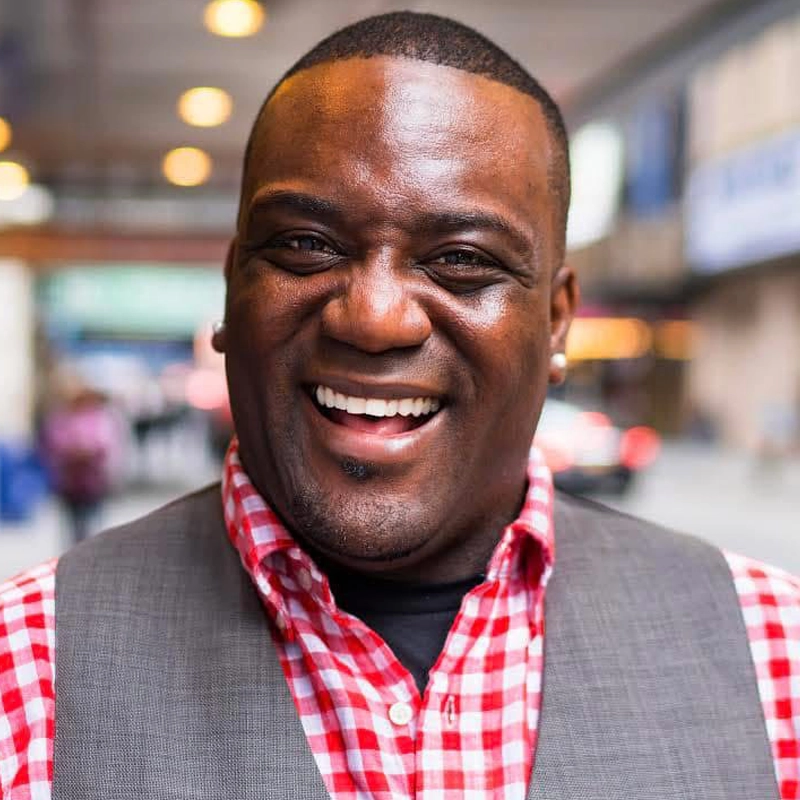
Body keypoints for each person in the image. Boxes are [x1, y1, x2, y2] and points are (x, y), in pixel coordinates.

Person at [1, 12, 798, 800]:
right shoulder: (26, 667)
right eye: (307, 245)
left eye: (461, 260)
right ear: (233, 286)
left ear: (556, 321)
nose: (375, 318)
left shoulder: (776, 654)